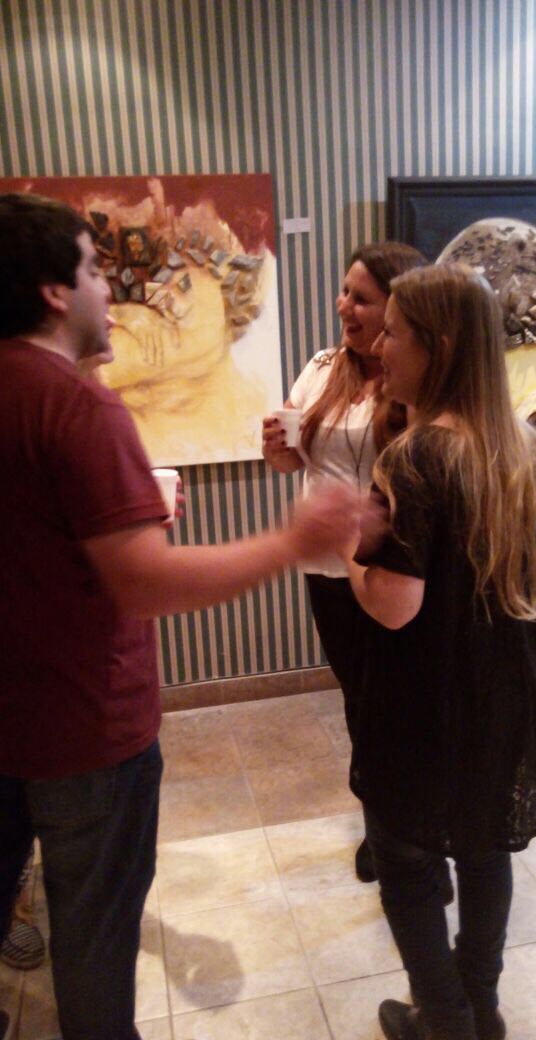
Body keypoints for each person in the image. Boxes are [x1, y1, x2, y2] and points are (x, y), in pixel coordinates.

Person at [0, 192, 362, 1040]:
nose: (112, 294)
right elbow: (144, 585)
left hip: (12, 717)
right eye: (95, 272)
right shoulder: (77, 408)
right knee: (94, 938)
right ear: (55, 292)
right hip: (86, 730)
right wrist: (291, 540)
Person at [341, 263, 536, 1040]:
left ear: (435, 347)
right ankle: (480, 1005)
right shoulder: (528, 448)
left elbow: (394, 606)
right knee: (483, 849)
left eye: (394, 333)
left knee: (406, 862)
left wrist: (350, 552)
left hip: (427, 697)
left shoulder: (414, 459)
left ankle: (443, 1019)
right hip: (508, 687)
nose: (380, 348)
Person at [262, 241, 446, 887]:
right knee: (359, 700)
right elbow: (296, 459)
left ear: (398, 308)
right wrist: (278, 452)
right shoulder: (322, 368)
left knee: (401, 703)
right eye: (345, 292)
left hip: (393, 568)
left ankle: (415, 831)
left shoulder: (417, 381)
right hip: (327, 568)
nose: (344, 306)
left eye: (361, 298)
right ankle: (385, 822)